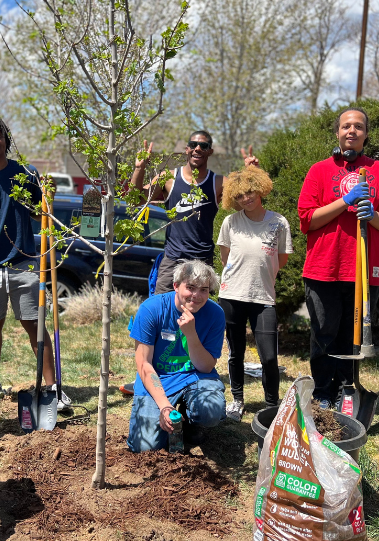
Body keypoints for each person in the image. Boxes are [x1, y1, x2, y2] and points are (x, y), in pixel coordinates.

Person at [121, 131, 256, 396]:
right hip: (172, 259)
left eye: (203, 146)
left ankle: (188, 371)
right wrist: (139, 168)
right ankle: (146, 375)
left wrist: (250, 173)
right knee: (159, 314)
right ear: (186, 149)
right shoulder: (169, 178)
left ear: (210, 151)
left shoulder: (218, 182)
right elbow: (135, 198)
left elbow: (247, 200)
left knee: (197, 317)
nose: (197, 149)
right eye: (193, 144)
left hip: (201, 261)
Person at [0, 117, 69, 410]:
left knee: (35, 325)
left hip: (23, 263)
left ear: (6, 140)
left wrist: (48, 195)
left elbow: (40, 215)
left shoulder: (25, 174)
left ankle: (53, 389)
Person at [297, 107, 379, 409]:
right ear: (337, 132)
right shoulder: (319, 170)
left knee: (353, 335)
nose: (351, 131)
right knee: (323, 333)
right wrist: (345, 201)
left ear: (366, 134)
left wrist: (373, 216)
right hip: (324, 267)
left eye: (358, 126)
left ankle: (347, 389)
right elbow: (308, 220)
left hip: (363, 269)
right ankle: (322, 392)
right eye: (346, 126)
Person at [215, 166, 292, 420]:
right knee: (235, 353)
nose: (245, 198)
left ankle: (271, 406)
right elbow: (226, 259)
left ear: (260, 189)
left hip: (264, 298)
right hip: (232, 296)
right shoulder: (230, 222)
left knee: (269, 357)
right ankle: (237, 400)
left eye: (249, 192)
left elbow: (281, 259)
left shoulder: (279, 223)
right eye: (239, 196)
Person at [127, 260, 227, 452]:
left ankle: (192, 422)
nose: (196, 295)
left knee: (211, 411)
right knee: (145, 447)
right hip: (159, 378)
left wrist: (191, 334)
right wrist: (164, 406)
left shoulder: (215, 314)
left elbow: (206, 366)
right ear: (176, 286)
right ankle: (170, 421)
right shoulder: (151, 309)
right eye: (190, 287)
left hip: (196, 376)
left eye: (204, 290)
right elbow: (143, 363)